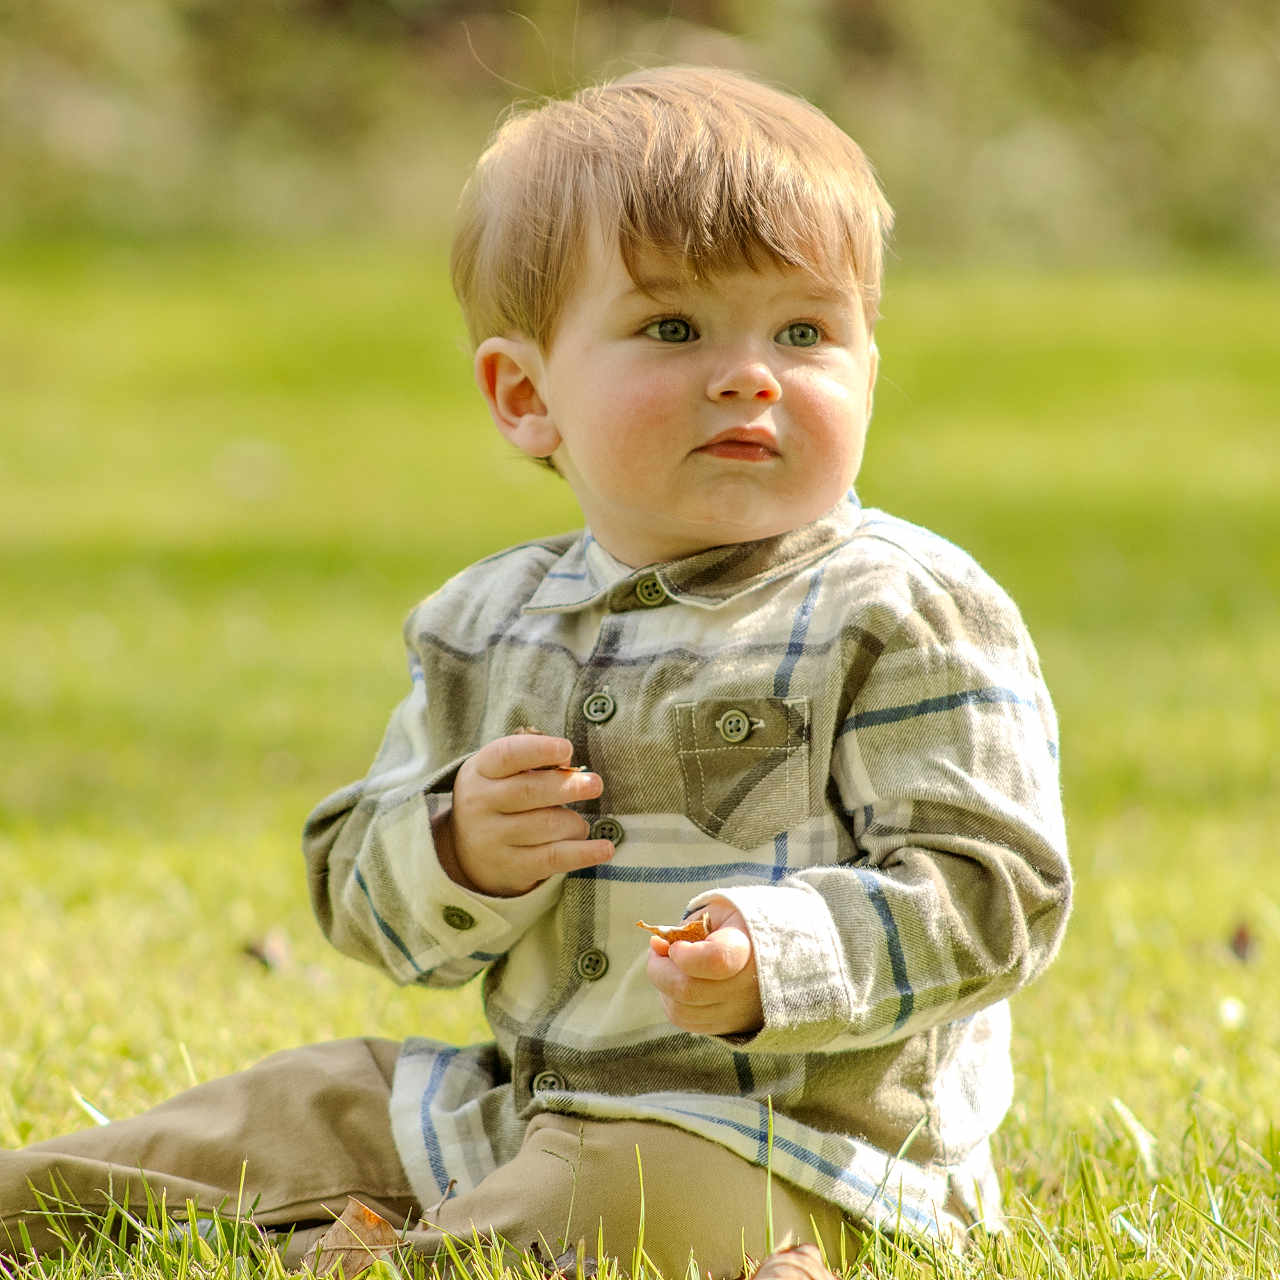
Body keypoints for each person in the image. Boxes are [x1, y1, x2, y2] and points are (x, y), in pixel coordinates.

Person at [1, 66, 1070, 1276]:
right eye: (673, 328)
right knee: (300, 1103)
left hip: (800, 1151)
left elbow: (997, 891)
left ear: (867, 366)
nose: (750, 374)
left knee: (609, 1191)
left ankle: (387, 1255)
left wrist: (780, 955)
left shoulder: (900, 609)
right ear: (524, 393)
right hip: (519, 1099)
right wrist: (455, 845)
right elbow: (358, 892)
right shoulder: (485, 622)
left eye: (803, 332)